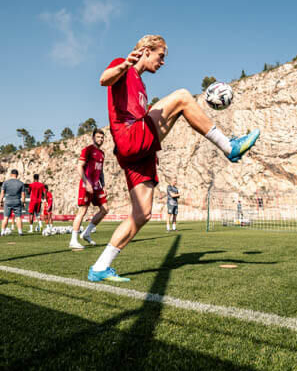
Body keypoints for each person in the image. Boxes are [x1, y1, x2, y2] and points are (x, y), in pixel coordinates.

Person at [88, 34, 260, 282]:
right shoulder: (123, 66)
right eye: (160, 56)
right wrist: (125, 64)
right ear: (146, 51)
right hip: (130, 136)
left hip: (139, 152)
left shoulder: (141, 85)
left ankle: (100, 267)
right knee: (182, 97)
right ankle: (229, 147)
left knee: (142, 214)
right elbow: (104, 79)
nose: (162, 62)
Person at [71, 129, 108, 249]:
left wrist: (104, 185)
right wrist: (86, 183)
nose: (100, 139)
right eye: (98, 137)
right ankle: (73, 240)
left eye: (102, 137)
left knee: (105, 209)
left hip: (97, 186)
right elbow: (79, 167)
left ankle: (86, 233)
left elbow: (100, 171)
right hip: (86, 184)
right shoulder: (87, 150)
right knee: (82, 211)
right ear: (93, 138)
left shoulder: (102, 153)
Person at [0, 169, 25, 236]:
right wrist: (23, 203)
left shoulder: (5, 182)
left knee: (6, 217)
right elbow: (23, 195)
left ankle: (2, 232)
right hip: (17, 201)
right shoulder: (21, 183)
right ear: (17, 175)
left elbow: (2, 193)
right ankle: (20, 232)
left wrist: (1, 201)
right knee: (18, 217)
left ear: (11, 174)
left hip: (8, 201)